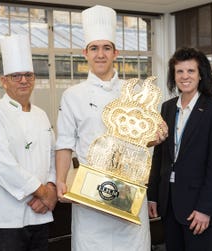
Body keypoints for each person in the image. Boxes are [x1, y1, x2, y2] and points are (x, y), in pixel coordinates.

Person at [55, 5, 167, 251]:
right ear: (85, 53)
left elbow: (144, 138)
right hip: (90, 194)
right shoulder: (72, 95)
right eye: (94, 48)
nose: (100, 54)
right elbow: (64, 142)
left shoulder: (133, 91)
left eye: (106, 48)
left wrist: (156, 136)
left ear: (115, 52)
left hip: (130, 190)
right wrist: (61, 180)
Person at [0, 35, 57, 251]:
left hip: (40, 215)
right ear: (4, 81)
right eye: (16, 76)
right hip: (5, 219)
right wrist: (44, 193)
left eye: (28, 75)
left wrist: (51, 187)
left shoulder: (41, 114)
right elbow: (3, 165)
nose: (23, 80)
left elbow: (52, 156)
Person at [147, 47, 212, 251]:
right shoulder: (167, 107)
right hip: (169, 202)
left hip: (197, 206)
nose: (185, 77)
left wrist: (205, 208)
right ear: (173, 76)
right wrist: (153, 195)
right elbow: (160, 155)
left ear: (200, 74)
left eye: (191, 71)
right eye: (179, 72)